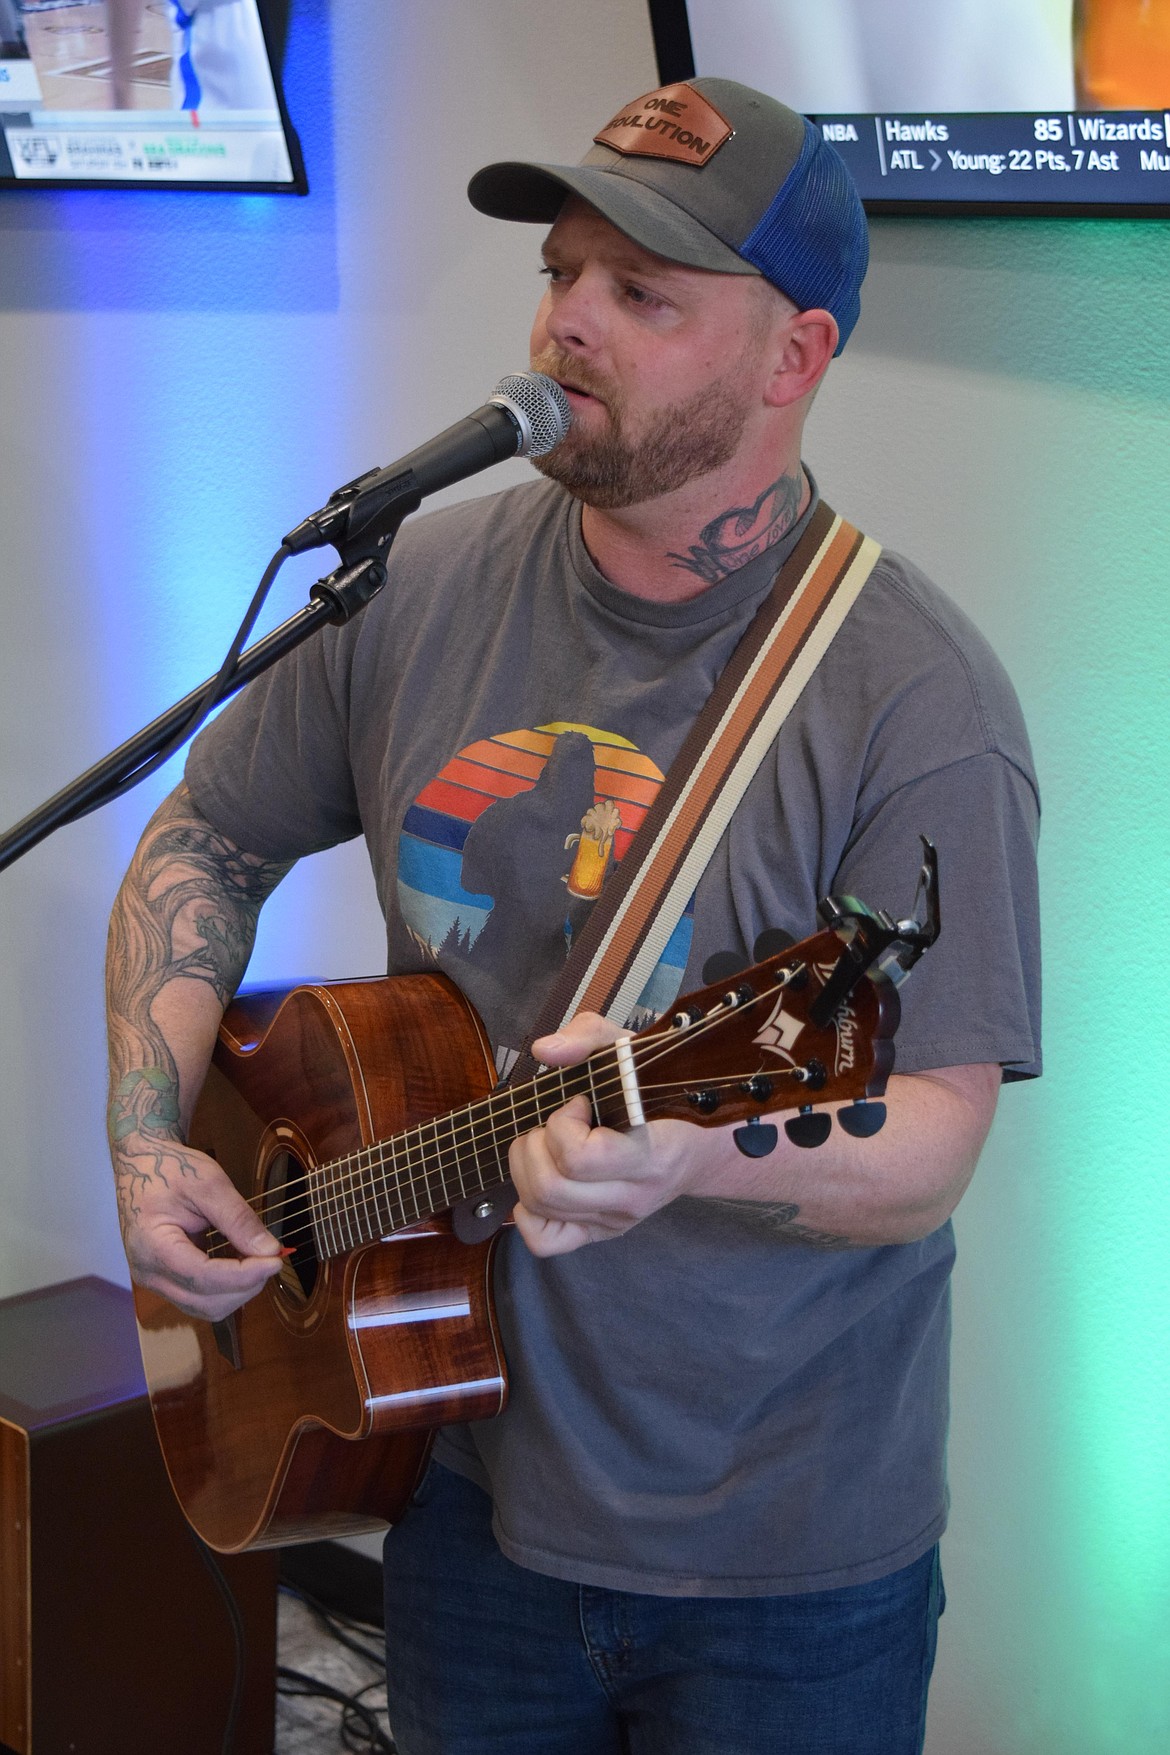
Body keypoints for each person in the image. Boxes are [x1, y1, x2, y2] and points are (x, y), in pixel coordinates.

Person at [106, 77, 1040, 1755]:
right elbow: (207, 837)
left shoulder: (913, 695)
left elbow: (929, 1142)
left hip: (779, 1559)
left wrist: (682, 1149)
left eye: (641, 293)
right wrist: (146, 1126)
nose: (564, 330)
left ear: (794, 355)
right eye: (560, 274)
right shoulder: (422, 587)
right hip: (456, 1480)